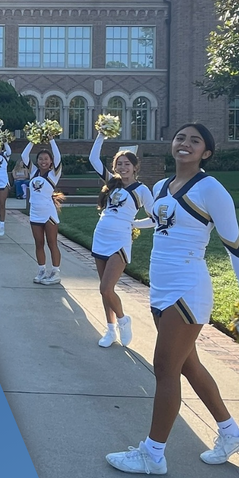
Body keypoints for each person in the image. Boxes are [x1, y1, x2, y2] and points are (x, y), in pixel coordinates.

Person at [106, 123, 239, 475]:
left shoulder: (211, 189)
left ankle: (153, 454)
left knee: (164, 369)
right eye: (180, 138)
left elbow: (235, 246)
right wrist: (133, 224)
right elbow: (162, 220)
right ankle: (231, 433)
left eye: (195, 140)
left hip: (188, 288)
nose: (185, 143)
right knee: (188, 366)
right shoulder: (161, 186)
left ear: (206, 152)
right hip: (160, 288)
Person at [88, 135, 154, 347]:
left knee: (107, 288)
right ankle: (110, 330)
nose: (123, 168)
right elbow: (93, 159)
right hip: (101, 236)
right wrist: (101, 135)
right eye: (119, 164)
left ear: (135, 167)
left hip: (120, 241)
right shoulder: (112, 183)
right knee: (104, 289)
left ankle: (123, 320)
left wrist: (134, 224)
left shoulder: (142, 190)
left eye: (127, 164)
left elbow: (155, 218)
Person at [20, 138, 63, 285]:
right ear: (37, 161)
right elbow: (24, 156)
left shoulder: (53, 174)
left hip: (48, 214)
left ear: (51, 161)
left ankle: (56, 272)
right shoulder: (33, 172)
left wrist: (51, 140)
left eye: (46, 159)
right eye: (40, 159)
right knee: (39, 243)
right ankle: (41, 270)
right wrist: (32, 140)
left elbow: (58, 157)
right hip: (35, 213)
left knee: (52, 243)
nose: (43, 161)